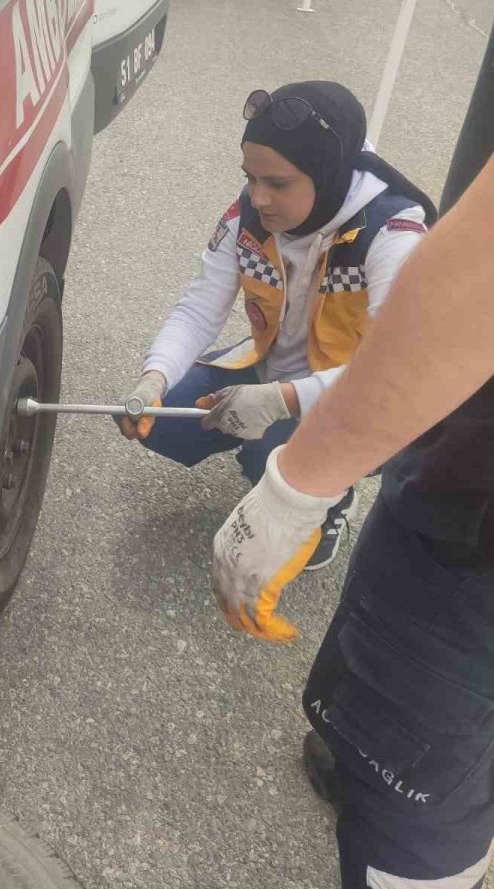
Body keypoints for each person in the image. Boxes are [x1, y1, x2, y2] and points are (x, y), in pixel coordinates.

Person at [213, 153, 494, 889]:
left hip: (478, 533)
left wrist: (297, 487)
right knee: (430, 740)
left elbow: (480, 278)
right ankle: (379, 762)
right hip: (465, 472)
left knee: (419, 815)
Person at [119, 80, 436, 571]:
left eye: (278, 184)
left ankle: (331, 494)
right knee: (159, 418)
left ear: (326, 171)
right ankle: (268, 446)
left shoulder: (393, 232)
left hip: (355, 397)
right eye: (250, 177)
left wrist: (283, 401)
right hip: (269, 366)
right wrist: (154, 376)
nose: (259, 197)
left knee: (269, 459)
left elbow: (399, 371)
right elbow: (201, 307)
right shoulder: (249, 212)